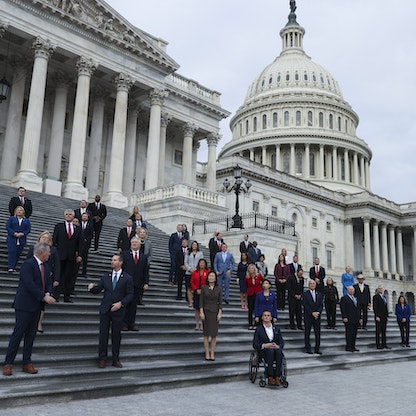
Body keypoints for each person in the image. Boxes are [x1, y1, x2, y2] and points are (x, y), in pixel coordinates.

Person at [3, 242, 56, 376]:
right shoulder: (28, 264)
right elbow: (29, 284)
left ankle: (27, 362)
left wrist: (49, 292)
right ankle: (8, 363)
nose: (50, 254)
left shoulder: (46, 267)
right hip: (24, 306)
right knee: (18, 334)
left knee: (31, 336)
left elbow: (48, 283)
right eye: (48, 252)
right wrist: (44, 296)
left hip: (37, 306)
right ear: (42, 252)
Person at [88, 254, 133, 369]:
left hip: (118, 311)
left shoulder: (127, 278)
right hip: (105, 310)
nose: (112, 262)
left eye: (114, 260)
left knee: (116, 335)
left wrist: (121, 303)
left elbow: (130, 294)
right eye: (112, 260)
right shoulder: (106, 276)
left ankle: (115, 359)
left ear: (120, 262)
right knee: (103, 335)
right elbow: (98, 289)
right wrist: (91, 288)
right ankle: (102, 358)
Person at [26, 232, 60, 333]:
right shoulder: (33, 248)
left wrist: (56, 279)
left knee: (42, 302)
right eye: (43, 237)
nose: (45, 239)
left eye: (47, 238)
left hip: (46, 278)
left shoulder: (53, 250)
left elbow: (57, 265)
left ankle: (39, 323)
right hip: (34, 278)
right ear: (39, 238)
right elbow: (27, 262)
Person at [52, 209, 82, 303]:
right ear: (64, 216)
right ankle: (55, 295)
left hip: (71, 256)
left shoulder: (77, 229)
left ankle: (66, 297)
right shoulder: (58, 226)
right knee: (58, 275)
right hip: (60, 255)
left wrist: (80, 255)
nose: (68, 216)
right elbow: (54, 241)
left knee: (69, 277)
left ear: (73, 216)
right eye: (66, 214)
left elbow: (80, 244)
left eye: (70, 214)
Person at [121, 238, 149, 331]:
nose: (134, 244)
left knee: (134, 305)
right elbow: (121, 268)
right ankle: (124, 324)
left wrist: (146, 282)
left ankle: (131, 324)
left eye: (136, 242)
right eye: (133, 242)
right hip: (126, 283)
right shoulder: (124, 254)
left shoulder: (144, 257)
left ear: (139, 244)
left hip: (138, 284)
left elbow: (146, 271)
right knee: (125, 304)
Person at [253, 310, 285, 386]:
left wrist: (278, 346)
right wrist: (264, 345)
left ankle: (277, 376)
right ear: (262, 318)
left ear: (271, 318)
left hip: (275, 349)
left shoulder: (276, 329)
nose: (266, 317)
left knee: (279, 351)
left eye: (268, 315)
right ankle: (270, 376)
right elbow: (255, 343)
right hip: (264, 351)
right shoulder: (259, 330)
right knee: (270, 351)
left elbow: (281, 342)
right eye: (265, 315)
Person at [200, 271, 222, 361]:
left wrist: (220, 313)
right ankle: (207, 352)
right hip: (206, 311)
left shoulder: (219, 289)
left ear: (215, 278)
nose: (211, 277)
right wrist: (201, 312)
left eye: (213, 276)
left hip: (215, 312)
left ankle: (212, 352)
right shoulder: (204, 288)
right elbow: (201, 301)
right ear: (207, 278)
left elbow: (220, 302)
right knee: (206, 334)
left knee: (214, 334)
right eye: (210, 276)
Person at [6, 206, 31, 272]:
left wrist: (23, 234)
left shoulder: (26, 220)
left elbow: (28, 229)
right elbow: (8, 227)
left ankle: (14, 267)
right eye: (18, 210)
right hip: (12, 239)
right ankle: (11, 267)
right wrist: (14, 233)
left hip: (21, 239)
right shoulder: (11, 219)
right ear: (15, 212)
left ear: (23, 212)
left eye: (21, 210)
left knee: (18, 253)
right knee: (12, 252)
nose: (19, 211)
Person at [302, 279, 323, 354]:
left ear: (315, 285)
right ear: (308, 285)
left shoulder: (319, 294)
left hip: (317, 316)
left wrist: (318, 312)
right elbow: (305, 304)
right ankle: (308, 348)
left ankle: (317, 348)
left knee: (317, 333)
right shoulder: (305, 294)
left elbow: (321, 305)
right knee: (307, 332)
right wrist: (312, 312)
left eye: (313, 283)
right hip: (308, 316)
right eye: (310, 283)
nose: (312, 285)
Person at [190, 258, 210, 330]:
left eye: (203, 263)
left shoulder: (208, 272)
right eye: (200, 263)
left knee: (204, 309)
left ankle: (202, 324)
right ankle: (197, 324)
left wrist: (203, 290)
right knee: (197, 309)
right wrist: (196, 289)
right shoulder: (195, 272)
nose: (202, 264)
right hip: (196, 293)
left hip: (205, 293)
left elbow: (210, 282)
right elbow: (192, 282)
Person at [340, 286, 361, 352]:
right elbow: (343, 308)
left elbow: (358, 309)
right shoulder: (344, 298)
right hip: (348, 319)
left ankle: (353, 346)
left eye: (352, 290)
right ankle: (348, 347)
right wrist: (344, 317)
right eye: (350, 290)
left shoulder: (356, 299)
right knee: (349, 333)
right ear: (347, 291)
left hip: (356, 319)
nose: (351, 291)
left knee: (354, 333)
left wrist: (360, 318)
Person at [184, 241, 203, 308]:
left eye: (195, 245)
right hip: (189, 272)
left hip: (197, 272)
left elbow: (202, 262)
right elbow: (185, 262)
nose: (194, 246)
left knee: (196, 287)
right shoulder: (188, 253)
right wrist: (189, 269)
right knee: (189, 288)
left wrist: (196, 269)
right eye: (193, 245)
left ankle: (196, 301)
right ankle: (190, 302)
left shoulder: (200, 253)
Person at [245, 263, 264, 329]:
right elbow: (246, 285)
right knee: (250, 309)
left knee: (258, 308)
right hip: (250, 293)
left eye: (252, 268)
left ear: (254, 269)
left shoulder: (259, 276)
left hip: (258, 293)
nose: (251, 269)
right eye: (249, 268)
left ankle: (257, 323)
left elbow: (264, 281)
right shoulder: (247, 277)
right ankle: (250, 324)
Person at [373, 285, 390, 350]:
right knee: (378, 331)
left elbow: (386, 307)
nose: (380, 290)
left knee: (384, 331)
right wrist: (377, 316)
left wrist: (387, 315)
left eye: (381, 289)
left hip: (384, 317)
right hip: (379, 317)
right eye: (379, 289)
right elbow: (375, 307)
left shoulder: (384, 297)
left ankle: (384, 344)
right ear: (377, 290)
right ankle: (378, 345)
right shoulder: (375, 297)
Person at [79, 212, 93, 277]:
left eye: (86, 216)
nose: (84, 217)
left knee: (85, 259)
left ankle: (84, 272)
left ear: (88, 218)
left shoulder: (90, 225)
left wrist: (86, 239)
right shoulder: (78, 224)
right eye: (83, 216)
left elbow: (91, 235)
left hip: (86, 244)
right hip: (78, 244)